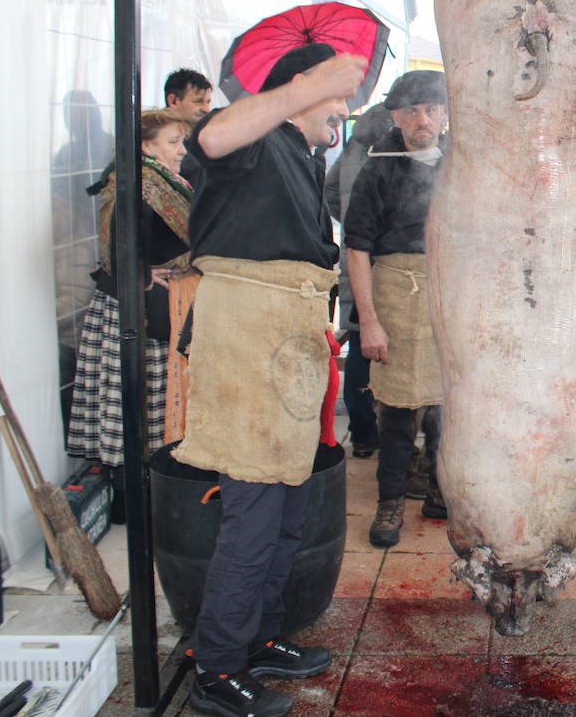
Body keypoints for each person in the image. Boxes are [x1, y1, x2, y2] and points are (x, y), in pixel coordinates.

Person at [176, 43, 364, 717]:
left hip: (287, 339)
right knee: (254, 516)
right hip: (246, 343)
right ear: (297, 86)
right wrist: (313, 82)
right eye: (337, 95)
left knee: (289, 506)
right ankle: (218, 671)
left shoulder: (301, 159)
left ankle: (256, 639)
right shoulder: (255, 135)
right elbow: (212, 135)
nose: (344, 107)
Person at [67, 109, 193, 518]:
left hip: (157, 304)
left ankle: (155, 496)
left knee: (154, 404)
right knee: (144, 405)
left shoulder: (156, 180)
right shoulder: (135, 184)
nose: (181, 149)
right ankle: (138, 504)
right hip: (138, 311)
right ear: (146, 146)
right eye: (173, 141)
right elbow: (119, 244)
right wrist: (140, 275)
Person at [343, 73, 449, 546]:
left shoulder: (462, 166)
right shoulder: (378, 168)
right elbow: (358, 248)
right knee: (399, 412)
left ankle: (442, 492)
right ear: (395, 118)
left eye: (430, 109)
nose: (421, 120)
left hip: (451, 296)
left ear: (445, 114)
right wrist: (369, 320)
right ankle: (390, 503)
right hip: (396, 296)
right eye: (410, 111)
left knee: (449, 408)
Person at [324, 100, 397, 459]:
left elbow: (330, 192)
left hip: (353, 253)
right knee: (390, 342)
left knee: (357, 339)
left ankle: (363, 433)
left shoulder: (353, 145)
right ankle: (393, 432)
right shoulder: (393, 148)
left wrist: (352, 224)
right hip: (387, 259)